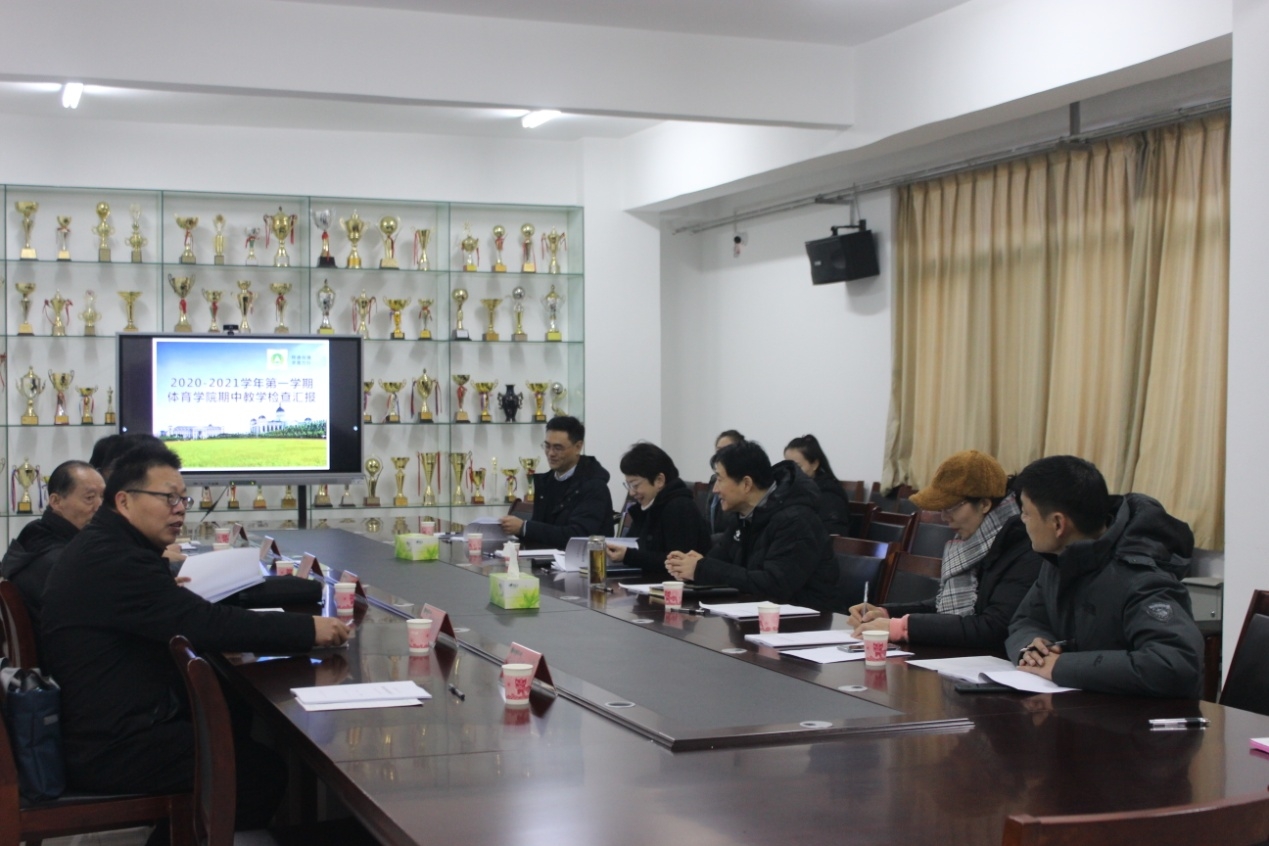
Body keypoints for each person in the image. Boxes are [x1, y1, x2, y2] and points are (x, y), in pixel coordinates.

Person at [40, 441, 350, 837]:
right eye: (168, 498)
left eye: (183, 499)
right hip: (110, 747)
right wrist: (308, 629)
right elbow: (201, 622)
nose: (180, 509)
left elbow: (184, 616)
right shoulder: (114, 559)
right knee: (260, 773)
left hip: (108, 725)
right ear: (124, 501)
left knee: (238, 718)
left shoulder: (110, 545)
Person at [1007, 455, 1204, 698]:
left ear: (1058, 524)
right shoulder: (1058, 559)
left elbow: (1176, 664)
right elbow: (1026, 619)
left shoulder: (1140, 578)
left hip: (1137, 717)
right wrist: (1032, 647)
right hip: (1079, 707)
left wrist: (1062, 666)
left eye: (1026, 513)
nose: (1022, 520)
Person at [847, 450, 1043, 649]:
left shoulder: (1025, 548)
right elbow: (946, 605)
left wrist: (902, 628)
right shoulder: (976, 540)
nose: (944, 517)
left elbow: (995, 626)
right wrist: (886, 614)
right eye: (941, 508)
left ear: (984, 504)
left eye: (951, 507)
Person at [666, 440, 838, 610]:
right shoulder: (743, 516)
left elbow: (775, 586)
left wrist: (702, 569)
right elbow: (718, 562)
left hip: (803, 619)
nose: (715, 489)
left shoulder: (797, 520)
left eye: (720, 479)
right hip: (754, 614)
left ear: (746, 484)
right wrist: (690, 567)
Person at [1, 460, 105, 627]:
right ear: (56, 502)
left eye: (103, 497)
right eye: (90, 498)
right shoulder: (61, 562)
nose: (100, 506)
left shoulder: (35, 534)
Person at [499, 416, 613, 548]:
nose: (551, 453)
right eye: (547, 446)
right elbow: (541, 531)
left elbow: (578, 536)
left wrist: (524, 527)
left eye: (558, 448)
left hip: (582, 560)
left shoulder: (594, 486)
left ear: (578, 447)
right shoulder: (547, 482)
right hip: (544, 557)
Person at [606, 442, 711, 581]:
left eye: (635, 485)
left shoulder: (680, 507)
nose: (631, 492)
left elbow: (678, 561)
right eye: (629, 485)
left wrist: (628, 556)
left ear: (659, 480)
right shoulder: (646, 508)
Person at [783, 434, 850, 535]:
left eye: (797, 467)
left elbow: (832, 535)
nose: (791, 473)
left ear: (814, 464)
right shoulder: (789, 491)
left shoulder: (829, 495)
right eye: (788, 467)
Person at [707, 429, 745, 538]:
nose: (721, 456)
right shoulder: (714, 481)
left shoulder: (741, 483)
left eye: (726, 451)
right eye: (718, 451)